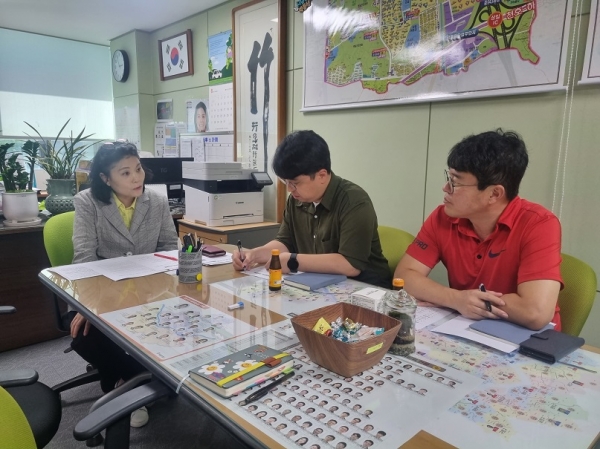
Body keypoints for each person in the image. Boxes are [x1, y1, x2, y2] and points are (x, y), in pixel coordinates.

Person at [395, 129, 562, 330]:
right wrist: (456, 299)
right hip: (467, 327)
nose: (445, 188)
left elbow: (535, 312)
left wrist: (470, 302)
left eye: (455, 182)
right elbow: (404, 277)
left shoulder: (539, 224)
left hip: (526, 336)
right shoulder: (443, 216)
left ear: (494, 194)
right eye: (449, 178)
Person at [70, 141, 178, 428]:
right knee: (85, 335)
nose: (136, 178)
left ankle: (126, 380)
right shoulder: (88, 202)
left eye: (138, 169)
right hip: (100, 291)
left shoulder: (156, 201)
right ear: (106, 178)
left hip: (149, 291)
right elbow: (84, 258)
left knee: (181, 321)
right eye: (125, 172)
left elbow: (169, 249)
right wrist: (88, 305)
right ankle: (132, 382)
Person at [232, 130, 390, 288]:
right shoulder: (296, 199)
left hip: (365, 289)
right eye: (285, 182)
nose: (290, 189)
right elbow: (285, 242)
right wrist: (254, 254)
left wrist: (293, 261)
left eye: (295, 183)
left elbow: (350, 265)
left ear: (321, 176)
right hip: (319, 284)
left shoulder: (354, 201)